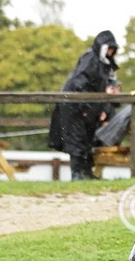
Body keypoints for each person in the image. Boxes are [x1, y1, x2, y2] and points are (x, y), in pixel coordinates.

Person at [49, 30, 119, 180]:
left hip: (89, 107)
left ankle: (86, 173)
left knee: (87, 139)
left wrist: (102, 109)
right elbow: (79, 83)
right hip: (74, 105)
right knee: (76, 139)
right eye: (109, 48)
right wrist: (84, 107)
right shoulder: (90, 58)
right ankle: (76, 174)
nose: (111, 52)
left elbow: (103, 89)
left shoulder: (105, 65)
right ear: (103, 47)